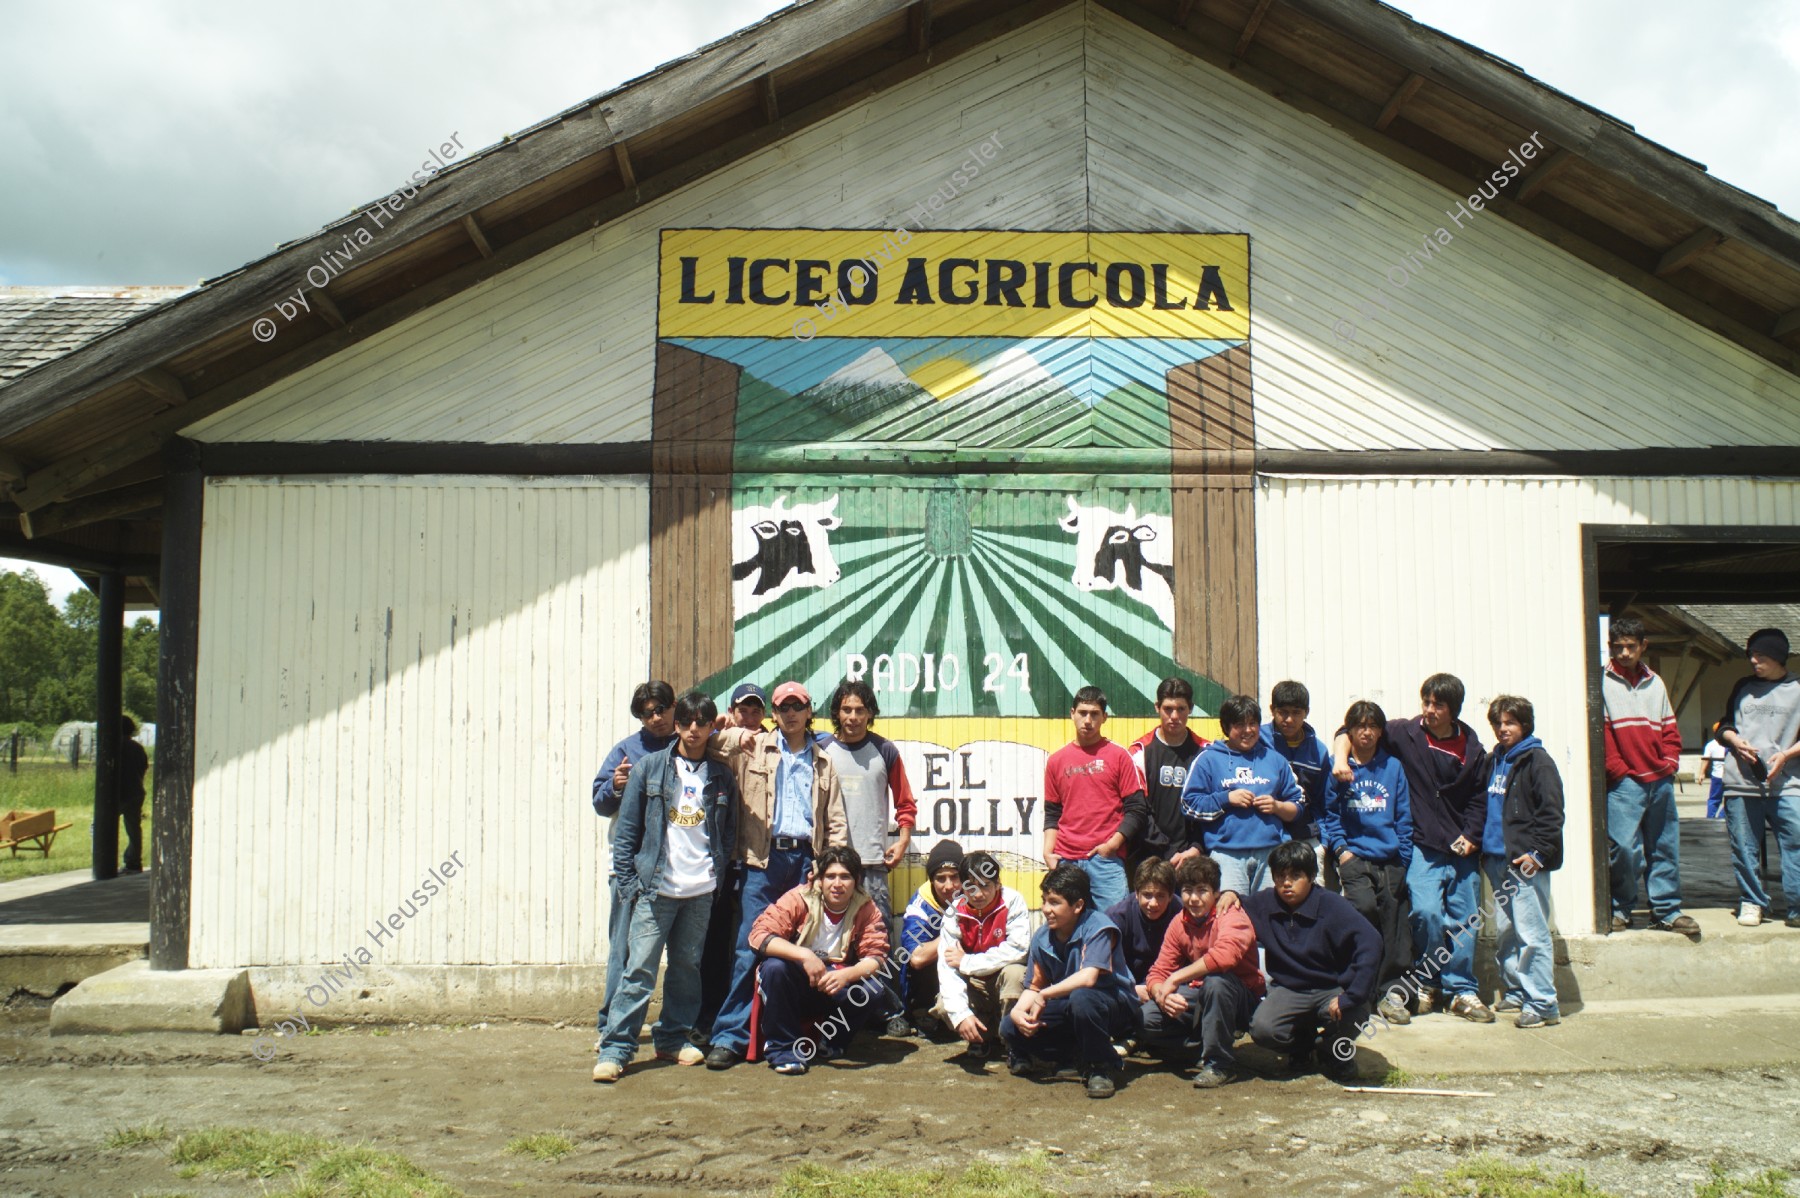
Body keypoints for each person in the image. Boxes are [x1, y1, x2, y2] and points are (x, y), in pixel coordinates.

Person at [704, 681, 850, 1069]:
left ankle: (790, 1033)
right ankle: (731, 1037)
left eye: (797, 706)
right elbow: (711, 743)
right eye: (782, 707)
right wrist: (734, 731)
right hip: (761, 862)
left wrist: (827, 864)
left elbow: (835, 821)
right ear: (774, 713)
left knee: (804, 950)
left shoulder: (824, 761)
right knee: (748, 947)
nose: (790, 713)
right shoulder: (755, 748)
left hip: (806, 864)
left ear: (808, 712)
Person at [594, 690, 738, 1082]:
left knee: (686, 969)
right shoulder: (650, 768)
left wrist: (714, 880)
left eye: (702, 723)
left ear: (712, 727)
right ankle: (616, 1048)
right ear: (677, 725)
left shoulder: (722, 775)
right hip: (655, 889)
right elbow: (627, 834)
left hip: (699, 891)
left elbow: (727, 834)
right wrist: (630, 884)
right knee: (638, 969)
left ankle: (672, 1037)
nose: (694, 729)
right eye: (687, 722)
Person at [1333, 673, 1491, 1020]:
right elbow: (1353, 729)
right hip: (1423, 844)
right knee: (1426, 913)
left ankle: (1462, 991)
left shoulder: (1473, 749)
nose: (1430, 710)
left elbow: (1480, 799)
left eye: (1438, 705)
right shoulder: (1406, 733)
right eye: (1426, 702)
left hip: (1462, 846)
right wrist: (1340, 758)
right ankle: (1428, 980)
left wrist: (1473, 834)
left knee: (1466, 921)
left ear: (1454, 710)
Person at [1001, 863, 1143, 1099]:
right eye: (1044, 900)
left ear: (1078, 905)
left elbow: (1088, 978)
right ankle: (1075, 1054)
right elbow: (1034, 986)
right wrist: (1018, 1011)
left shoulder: (1099, 926)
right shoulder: (1042, 936)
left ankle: (1101, 1067)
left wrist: (1044, 995)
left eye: (1054, 902)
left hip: (1113, 1005)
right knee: (1009, 1027)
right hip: (1072, 1007)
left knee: (1083, 998)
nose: (1046, 909)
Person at [1245, 840, 1382, 1082]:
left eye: (1296, 876)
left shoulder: (1332, 905)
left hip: (1331, 986)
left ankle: (1334, 1051)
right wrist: (1228, 896)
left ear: (1311, 876)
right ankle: (1301, 1047)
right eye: (1280, 876)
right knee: (1263, 1029)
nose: (1287, 883)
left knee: (1356, 1010)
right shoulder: (1264, 903)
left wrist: (1352, 994)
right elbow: (1236, 903)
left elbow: (1371, 941)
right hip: (1288, 988)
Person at [748, 846, 890, 1075]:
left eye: (845, 877)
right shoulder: (798, 898)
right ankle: (783, 1050)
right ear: (819, 879)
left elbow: (876, 957)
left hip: (834, 982)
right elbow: (759, 937)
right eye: (831, 876)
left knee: (873, 989)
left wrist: (846, 975)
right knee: (774, 968)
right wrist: (805, 955)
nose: (837, 884)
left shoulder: (866, 907)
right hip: (795, 981)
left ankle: (831, 1042)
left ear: (857, 880)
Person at [1602, 618, 1700, 940]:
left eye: (1631, 646)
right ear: (1610, 647)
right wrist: (1618, 770)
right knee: (1624, 850)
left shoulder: (1655, 682)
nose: (1625, 652)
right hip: (1625, 784)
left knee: (1664, 847)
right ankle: (1621, 908)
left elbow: (1670, 729)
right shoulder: (1601, 681)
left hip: (1659, 780)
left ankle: (1667, 911)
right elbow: (1601, 733)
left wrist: (1670, 762)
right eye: (1618, 647)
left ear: (1644, 646)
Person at [591, 680, 677, 1034]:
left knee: (683, 956)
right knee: (624, 950)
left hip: (679, 868)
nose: (655, 718)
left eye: (661, 709)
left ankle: (676, 1029)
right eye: (647, 713)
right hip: (630, 867)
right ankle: (610, 1026)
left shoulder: (689, 743)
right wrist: (615, 785)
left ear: (674, 707)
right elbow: (599, 802)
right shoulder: (626, 750)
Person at [1323, 700, 1415, 1027]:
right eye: (1359, 726)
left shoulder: (1392, 768)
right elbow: (1329, 814)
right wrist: (1342, 852)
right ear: (1349, 730)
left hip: (1389, 858)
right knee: (1363, 912)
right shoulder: (1340, 767)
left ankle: (1390, 993)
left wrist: (1402, 859)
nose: (1366, 732)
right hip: (1354, 858)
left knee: (1394, 922)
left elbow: (1404, 817)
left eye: (1372, 726)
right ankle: (1359, 988)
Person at [1140, 853, 1264, 1087]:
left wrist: (1176, 977)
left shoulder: (1231, 914)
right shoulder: (1180, 922)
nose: (1194, 898)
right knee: (1146, 1018)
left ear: (1216, 893)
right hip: (1200, 994)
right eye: (1188, 890)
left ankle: (1219, 1064)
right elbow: (1158, 971)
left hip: (1240, 998)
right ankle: (1200, 1048)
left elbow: (1225, 957)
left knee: (1217, 982)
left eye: (1202, 890)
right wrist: (1161, 995)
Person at [1481, 695, 1565, 1028]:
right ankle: (1516, 990)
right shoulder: (1495, 760)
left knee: (1532, 934)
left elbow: (1552, 812)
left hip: (1524, 864)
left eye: (1510, 722)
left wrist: (1538, 853)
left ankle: (1543, 1002)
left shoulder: (1537, 761)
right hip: (1496, 861)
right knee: (1505, 931)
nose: (1503, 729)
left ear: (1525, 725)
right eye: (1498, 723)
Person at [1714, 629, 1800, 928]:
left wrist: (1786, 755)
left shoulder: (1798, 687)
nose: (1753, 660)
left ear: (1777, 657)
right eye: (1751, 655)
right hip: (1741, 781)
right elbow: (1723, 725)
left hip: (1787, 784)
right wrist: (1734, 740)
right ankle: (1752, 901)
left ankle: (1797, 906)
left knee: (1796, 842)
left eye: (1760, 656)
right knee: (1744, 846)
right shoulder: (1743, 686)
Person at [1182, 694, 1304, 897]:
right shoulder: (1208, 759)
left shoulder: (1275, 759)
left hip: (1271, 854)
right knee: (1231, 915)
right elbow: (1188, 804)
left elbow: (1298, 805)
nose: (1248, 730)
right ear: (1227, 727)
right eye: (1240, 724)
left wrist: (1277, 807)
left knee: (1268, 915)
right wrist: (1226, 799)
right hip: (1226, 854)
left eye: (1253, 724)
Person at [818, 679, 917, 926]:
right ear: (837, 713)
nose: (853, 717)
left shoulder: (884, 750)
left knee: (877, 939)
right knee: (832, 939)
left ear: (870, 712)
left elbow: (905, 802)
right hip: (832, 864)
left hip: (872, 864)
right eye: (846, 710)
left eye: (860, 710)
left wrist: (903, 839)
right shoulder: (821, 750)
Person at [1043, 686, 1148, 914]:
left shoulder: (1119, 756)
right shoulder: (1056, 761)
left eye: (1094, 713)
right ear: (1072, 713)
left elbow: (1137, 808)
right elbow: (1052, 813)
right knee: (1065, 930)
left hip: (1106, 861)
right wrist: (1048, 852)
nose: (1088, 720)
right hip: (1066, 859)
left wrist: (1112, 845)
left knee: (1115, 925)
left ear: (1104, 717)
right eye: (1082, 713)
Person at [935, 850, 1031, 1060]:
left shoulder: (1012, 901)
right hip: (975, 985)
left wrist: (968, 962)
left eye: (985, 885)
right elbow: (947, 965)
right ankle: (981, 1038)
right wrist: (961, 1015)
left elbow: (1018, 949)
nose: (978, 894)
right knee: (944, 1004)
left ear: (998, 884)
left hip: (1001, 981)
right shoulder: (954, 912)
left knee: (1016, 974)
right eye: (971, 887)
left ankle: (1015, 1043)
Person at [1128, 678, 1209, 866]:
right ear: (1157, 707)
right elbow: (1138, 810)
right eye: (1168, 709)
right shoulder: (1139, 752)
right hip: (1148, 857)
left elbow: (1210, 807)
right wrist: (1167, 851)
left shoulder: (1206, 752)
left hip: (1193, 857)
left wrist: (1196, 848)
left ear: (1191, 708)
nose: (1174, 716)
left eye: (1181, 709)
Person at [1262, 681, 1333, 884]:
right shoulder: (1258, 741)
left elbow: (1323, 801)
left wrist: (1324, 841)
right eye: (1282, 712)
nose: (1289, 719)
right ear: (1272, 710)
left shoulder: (1319, 751)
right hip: (1267, 834)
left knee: (1313, 897)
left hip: (1306, 836)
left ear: (1307, 712)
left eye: (1296, 712)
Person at [899, 839, 964, 1033]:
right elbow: (917, 958)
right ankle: (923, 1011)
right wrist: (953, 933)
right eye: (941, 878)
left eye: (954, 877)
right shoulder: (920, 906)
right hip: (930, 976)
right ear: (931, 880)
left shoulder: (973, 895)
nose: (948, 886)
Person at [1105, 857, 1178, 1001]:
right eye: (1147, 895)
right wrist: (1130, 988)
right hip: (1125, 986)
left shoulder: (1180, 913)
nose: (1153, 903)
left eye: (1160, 896)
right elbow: (1101, 962)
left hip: (1167, 984)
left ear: (1170, 896)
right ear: (1137, 894)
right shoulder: (1117, 916)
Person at [119, 716, 151, 874]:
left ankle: (104, 858)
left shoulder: (115, 747)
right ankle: (133, 861)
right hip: (136, 791)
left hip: (118, 793)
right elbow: (144, 767)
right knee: (133, 828)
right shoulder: (138, 748)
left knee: (99, 826)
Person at [1700, 733, 1729, 820]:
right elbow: (1705, 759)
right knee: (1730, 799)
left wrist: (1701, 773)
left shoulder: (1711, 744)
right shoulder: (1730, 743)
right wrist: (1702, 773)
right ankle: (1721, 816)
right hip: (1726, 776)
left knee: (1714, 799)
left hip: (1717, 776)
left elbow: (1705, 759)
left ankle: (1710, 818)